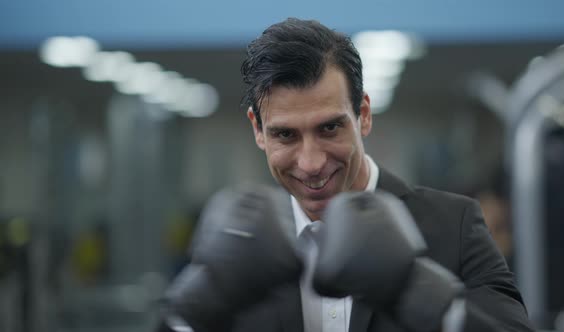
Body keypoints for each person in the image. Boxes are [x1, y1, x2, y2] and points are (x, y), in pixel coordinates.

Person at [159, 18, 534, 332]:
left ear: (364, 115)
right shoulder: (240, 246)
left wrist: (418, 290)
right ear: (258, 130)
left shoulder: (454, 224)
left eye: (329, 129)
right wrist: (186, 315)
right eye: (285, 134)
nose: (310, 162)